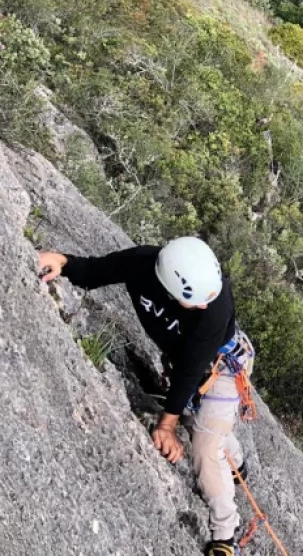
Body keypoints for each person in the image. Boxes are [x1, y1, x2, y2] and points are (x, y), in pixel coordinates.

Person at [38, 237, 253, 556]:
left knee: (205, 447)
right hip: (189, 364)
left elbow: (190, 372)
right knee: (202, 423)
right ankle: (233, 463)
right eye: (194, 299)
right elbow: (96, 271)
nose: (204, 303)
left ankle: (226, 529)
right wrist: (64, 262)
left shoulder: (213, 308)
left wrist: (166, 427)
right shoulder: (142, 262)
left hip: (220, 366)